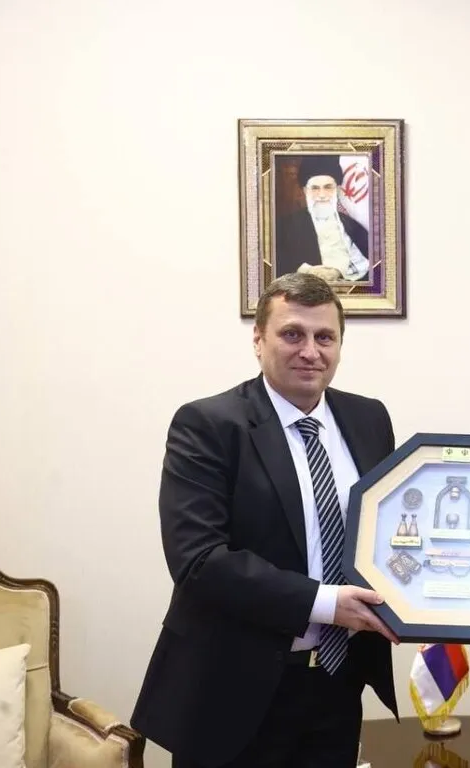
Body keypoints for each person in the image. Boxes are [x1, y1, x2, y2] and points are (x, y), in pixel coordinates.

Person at [131, 272, 400, 768]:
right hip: (231, 692)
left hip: (338, 684)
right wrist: (325, 604)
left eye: (325, 337)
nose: (310, 351)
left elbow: (395, 528)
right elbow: (199, 561)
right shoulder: (208, 424)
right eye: (292, 334)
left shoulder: (369, 419)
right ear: (258, 340)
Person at [276, 154, 371, 282]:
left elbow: (373, 263)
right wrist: (307, 271)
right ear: (305, 191)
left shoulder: (353, 226)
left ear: (337, 189)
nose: (322, 195)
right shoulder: (285, 226)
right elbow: (276, 262)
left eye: (328, 187)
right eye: (315, 188)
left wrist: (338, 272)